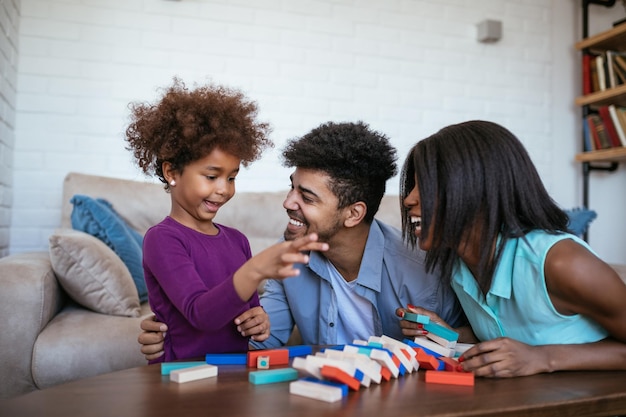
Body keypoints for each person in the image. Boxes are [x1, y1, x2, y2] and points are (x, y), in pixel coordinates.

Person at [138, 121, 465, 360]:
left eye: (306, 197)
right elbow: (259, 340)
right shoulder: (289, 263)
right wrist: (179, 336)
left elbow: (469, 341)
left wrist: (444, 337)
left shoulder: (423, 271)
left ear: (353, 214)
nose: (288, 202)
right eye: (291, 187)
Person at [399, 120, 626, 377]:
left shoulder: (563, 263)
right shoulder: (458, 266)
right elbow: (510, 333)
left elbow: (532, 350)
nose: (408, 199)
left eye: (426, 186)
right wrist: (446, 334)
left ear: (477, 189)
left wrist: (544, 358)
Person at [125, 78, 328, 363]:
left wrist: (259, 322)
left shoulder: (237, 240)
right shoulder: (162, 239)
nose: (224, 189)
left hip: (234, 375)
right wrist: (255, 270)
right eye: (211, 176)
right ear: (171, 171)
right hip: (180, 378)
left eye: (232, 177)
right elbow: (200, 313)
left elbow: (248, 311)